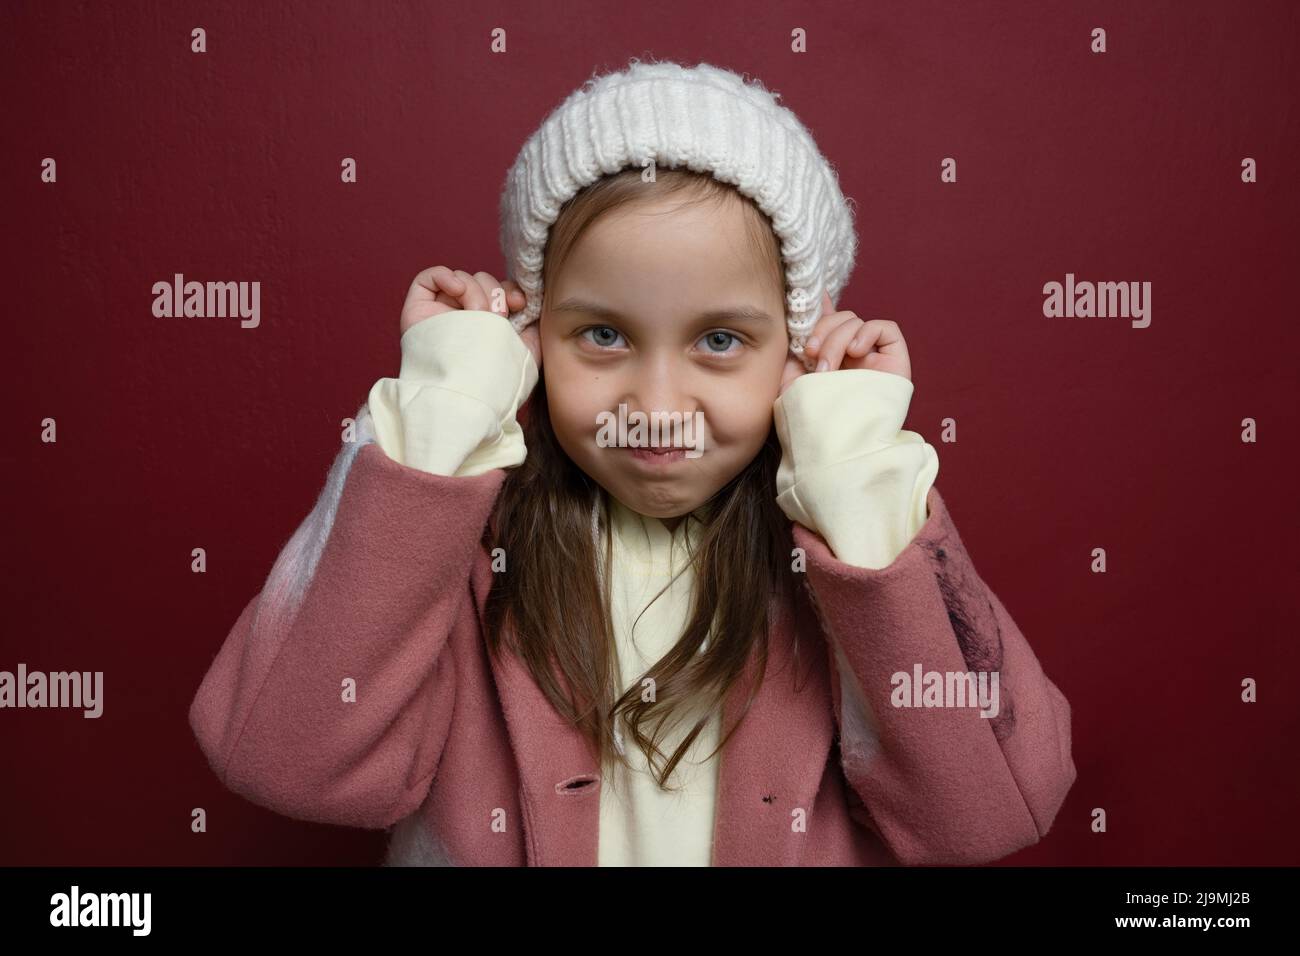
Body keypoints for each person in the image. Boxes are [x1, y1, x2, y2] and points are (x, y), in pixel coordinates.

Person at [189, 57, 1075, 866]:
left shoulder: (841, 547)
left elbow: (992, 813)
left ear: (798, 356)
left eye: (720, 339)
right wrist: (444, 415)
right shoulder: (465, 548)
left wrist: (861, 485)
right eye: (602, 334)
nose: (654, 408)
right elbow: (285, 761)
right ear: (529, 335)